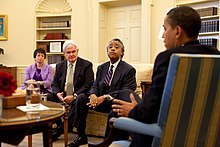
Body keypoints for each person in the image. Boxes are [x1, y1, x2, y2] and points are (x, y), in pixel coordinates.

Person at [111, 6, 220, 147]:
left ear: (177, 31)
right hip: (205, 139)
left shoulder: (168, 58)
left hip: (164, 139)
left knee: (118, 114)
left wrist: (132, 111)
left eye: (165, 29)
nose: (163, 35)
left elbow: (148, 113)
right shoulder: (216, 56)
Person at [67, 38, 141, 147]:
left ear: (122, 52)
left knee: (114, 110)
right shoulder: (102, 67)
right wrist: (93, 95)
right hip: (99, 101)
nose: (112, 49)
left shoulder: (128, 70)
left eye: (116, 47)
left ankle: (107, 142)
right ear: (107, 51)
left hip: (113, 101)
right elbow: (95, 84)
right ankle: (81, 136)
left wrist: (105, 97)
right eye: (110, 47)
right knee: (81, 98)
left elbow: (126, 90)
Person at [47, 40, 94, 141]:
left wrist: (74, 96)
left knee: (81, 99)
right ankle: (60, 125)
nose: (71, 54)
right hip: (63, 95)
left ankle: (64, 131)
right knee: (47, 97)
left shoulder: (86, 65)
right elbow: (54, 84)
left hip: (79, 95)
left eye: (73, 51)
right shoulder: (59, 66)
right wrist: (57, 94)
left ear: (77, 51)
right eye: (68, 52)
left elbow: (88, 84)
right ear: (64, 54)